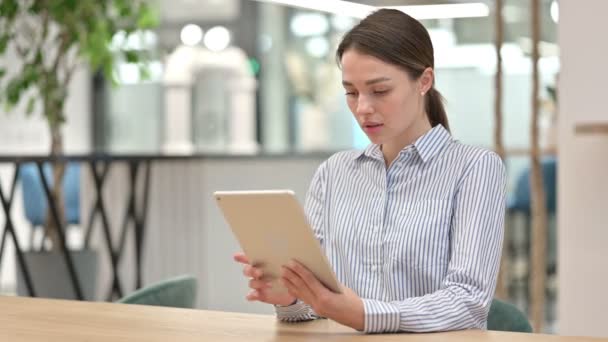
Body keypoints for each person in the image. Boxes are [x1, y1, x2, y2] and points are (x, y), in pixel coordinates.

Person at [234, 8, 506, 333]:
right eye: (351, 92)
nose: (362, 108)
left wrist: (364, 314)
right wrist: (289, 296)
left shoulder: (475, 169)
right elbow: (316, 306)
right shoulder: (334, 173)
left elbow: (467, 302)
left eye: (379, 91)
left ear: (424, 81)